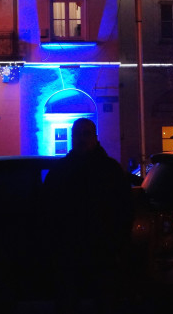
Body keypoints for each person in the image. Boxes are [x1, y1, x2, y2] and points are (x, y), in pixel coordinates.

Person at [42, 117, 133, 314]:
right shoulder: (62, 171)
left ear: (95, 137)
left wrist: (117, 244)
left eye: (86, 134)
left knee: (103, 302)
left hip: (101, 252)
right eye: (77, 135)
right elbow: (47, 211)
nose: (81, 139)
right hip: (71, 253)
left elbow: (124, 210)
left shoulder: (109, 171)